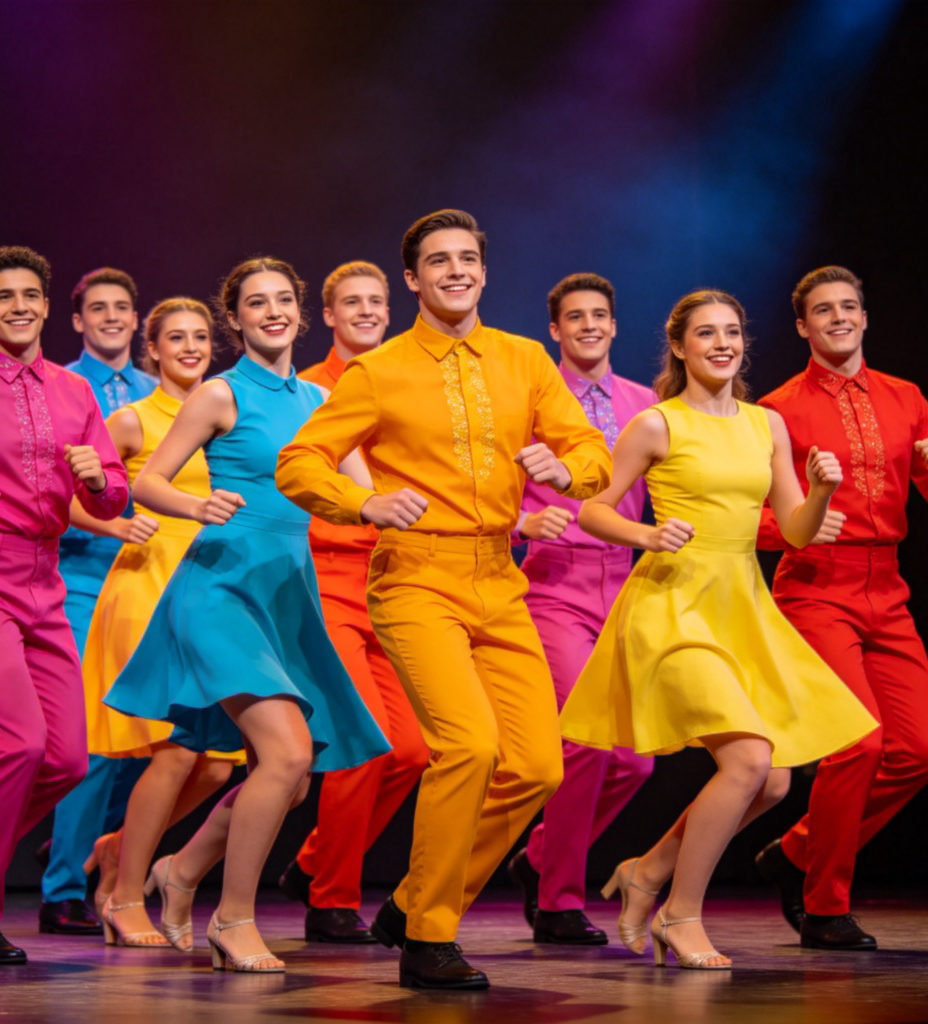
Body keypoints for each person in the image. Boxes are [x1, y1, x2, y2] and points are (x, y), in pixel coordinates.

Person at [275, 210, 612, 990]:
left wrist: (572, 475)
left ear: (484, 273)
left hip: (499, 575)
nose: (455, 270)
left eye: (468, 258)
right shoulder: (379, 370)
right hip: (415, 577)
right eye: (438, 260)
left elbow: (588, 449)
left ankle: (418, 900)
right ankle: (428, 937)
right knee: (467, 746)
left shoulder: (526, 359)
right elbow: (300, 464)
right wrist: (361, 506)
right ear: (414, 279)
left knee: (535, 766)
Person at [559, 290, 876, 969]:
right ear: (680, 346)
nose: (722, 343)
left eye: (732, 332)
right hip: (671, 604)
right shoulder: (656, 424)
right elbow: (593, 513)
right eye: (706, 333)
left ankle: (646, 870)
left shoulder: (767, 427)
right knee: (749, 760)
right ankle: (682, 914)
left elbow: (792, 530)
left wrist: (821, 492)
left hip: (740, 603)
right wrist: (647, 532)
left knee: (773, 782)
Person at [104, 256, 389, 972]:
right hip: (220, 588)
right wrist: (197, 505)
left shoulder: (322, 403)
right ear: (235, 318)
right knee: (287, 753)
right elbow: (146, 482)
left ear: (298, 310)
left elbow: (365, 491)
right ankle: (233, 919)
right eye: (256, 303)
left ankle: (182, 871)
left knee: (292, 776)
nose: (273, 312)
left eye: (283, 300)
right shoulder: (220, 395)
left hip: (288, 593)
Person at [0, 246, 128, 964]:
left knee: (68, 760)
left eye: (30, 295)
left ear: (45, 305)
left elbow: (114, 491)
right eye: (3, 297)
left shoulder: (75, 393)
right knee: (19, 744)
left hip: (46, 582)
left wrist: (95, 477)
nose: (19, 306)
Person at [754, 266, 928, 951]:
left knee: (920, 751)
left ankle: (797, 852)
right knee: (857, 745)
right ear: (803, 326)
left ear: (865, 317)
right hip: (815, 587)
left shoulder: (907, 398)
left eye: (849, 306)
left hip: (887, 590)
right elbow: (748, 518)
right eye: (822, 310)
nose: (839, 317)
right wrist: (798, 525)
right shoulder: (777, 410)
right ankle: (826, 905)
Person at [78, 298, 240, 949]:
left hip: (208, 591)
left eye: (201, 336)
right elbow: (67, 494)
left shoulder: (222, 411)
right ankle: (123, 896)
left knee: (219, 764)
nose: (191, 347)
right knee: (175, 750)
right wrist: (111, 522)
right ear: (155, 348)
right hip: (147, 589)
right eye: (177, 337)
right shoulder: (132, 419)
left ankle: (119, 847)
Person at [278, 261, 427, 944]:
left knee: (413, 750)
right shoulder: (308, 391)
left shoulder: (407, 379)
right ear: (329, 317)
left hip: (396, 577)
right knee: (362, 743)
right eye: (350, 303)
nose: (366, 311)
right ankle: (331, 897)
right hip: (327, 575)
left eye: (376, 301)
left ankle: (312, 861)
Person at [506, 273, 655, 944]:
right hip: (554, 585)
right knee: (582, 741)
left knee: (635, 762)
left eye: (600, 314)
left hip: (625, 584)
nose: (589, 325)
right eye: (575, 317)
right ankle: (559, 897)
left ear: (615, 326)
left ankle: (539, 856)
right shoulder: (534, 400)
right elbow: (490, 484)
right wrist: (517, 524)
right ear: (555, 332)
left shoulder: (646, 403)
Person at [39, 267, 157, 936]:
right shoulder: (58, 387)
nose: (112, 317)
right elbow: (54, 490)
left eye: (122, 306)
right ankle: (61, 887)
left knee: (145, 741)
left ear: (137, 319)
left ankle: (86, 856)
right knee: (92, 738)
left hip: (149, 579)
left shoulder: (161, 394)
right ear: (78, 321)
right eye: (98, 309)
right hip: (83, 579)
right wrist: (110, 526)